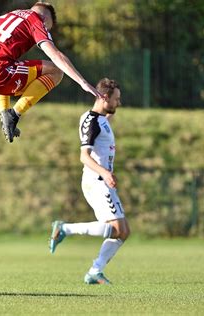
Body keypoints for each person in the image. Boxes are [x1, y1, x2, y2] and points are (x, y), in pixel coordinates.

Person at [0, 2, 102, 143]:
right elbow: (55, 56)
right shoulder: (36, 20)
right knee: (56, 71)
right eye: (48, 29)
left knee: (7, 66)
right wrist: (82, 82)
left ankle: (5, 113)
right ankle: (15, 113)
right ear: (46, 20)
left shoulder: (6, 16)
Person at [49, 78, 130, 285]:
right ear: (104, 98)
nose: (118, 103)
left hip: (102, 179)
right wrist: (106, 172)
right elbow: (84, 156)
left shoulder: (101, 118)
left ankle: (95, 271)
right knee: (116, 229)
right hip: (97, 179)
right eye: (116, 99)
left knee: (123, 232)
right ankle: (64, 229)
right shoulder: (92, 121)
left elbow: (105, 120)